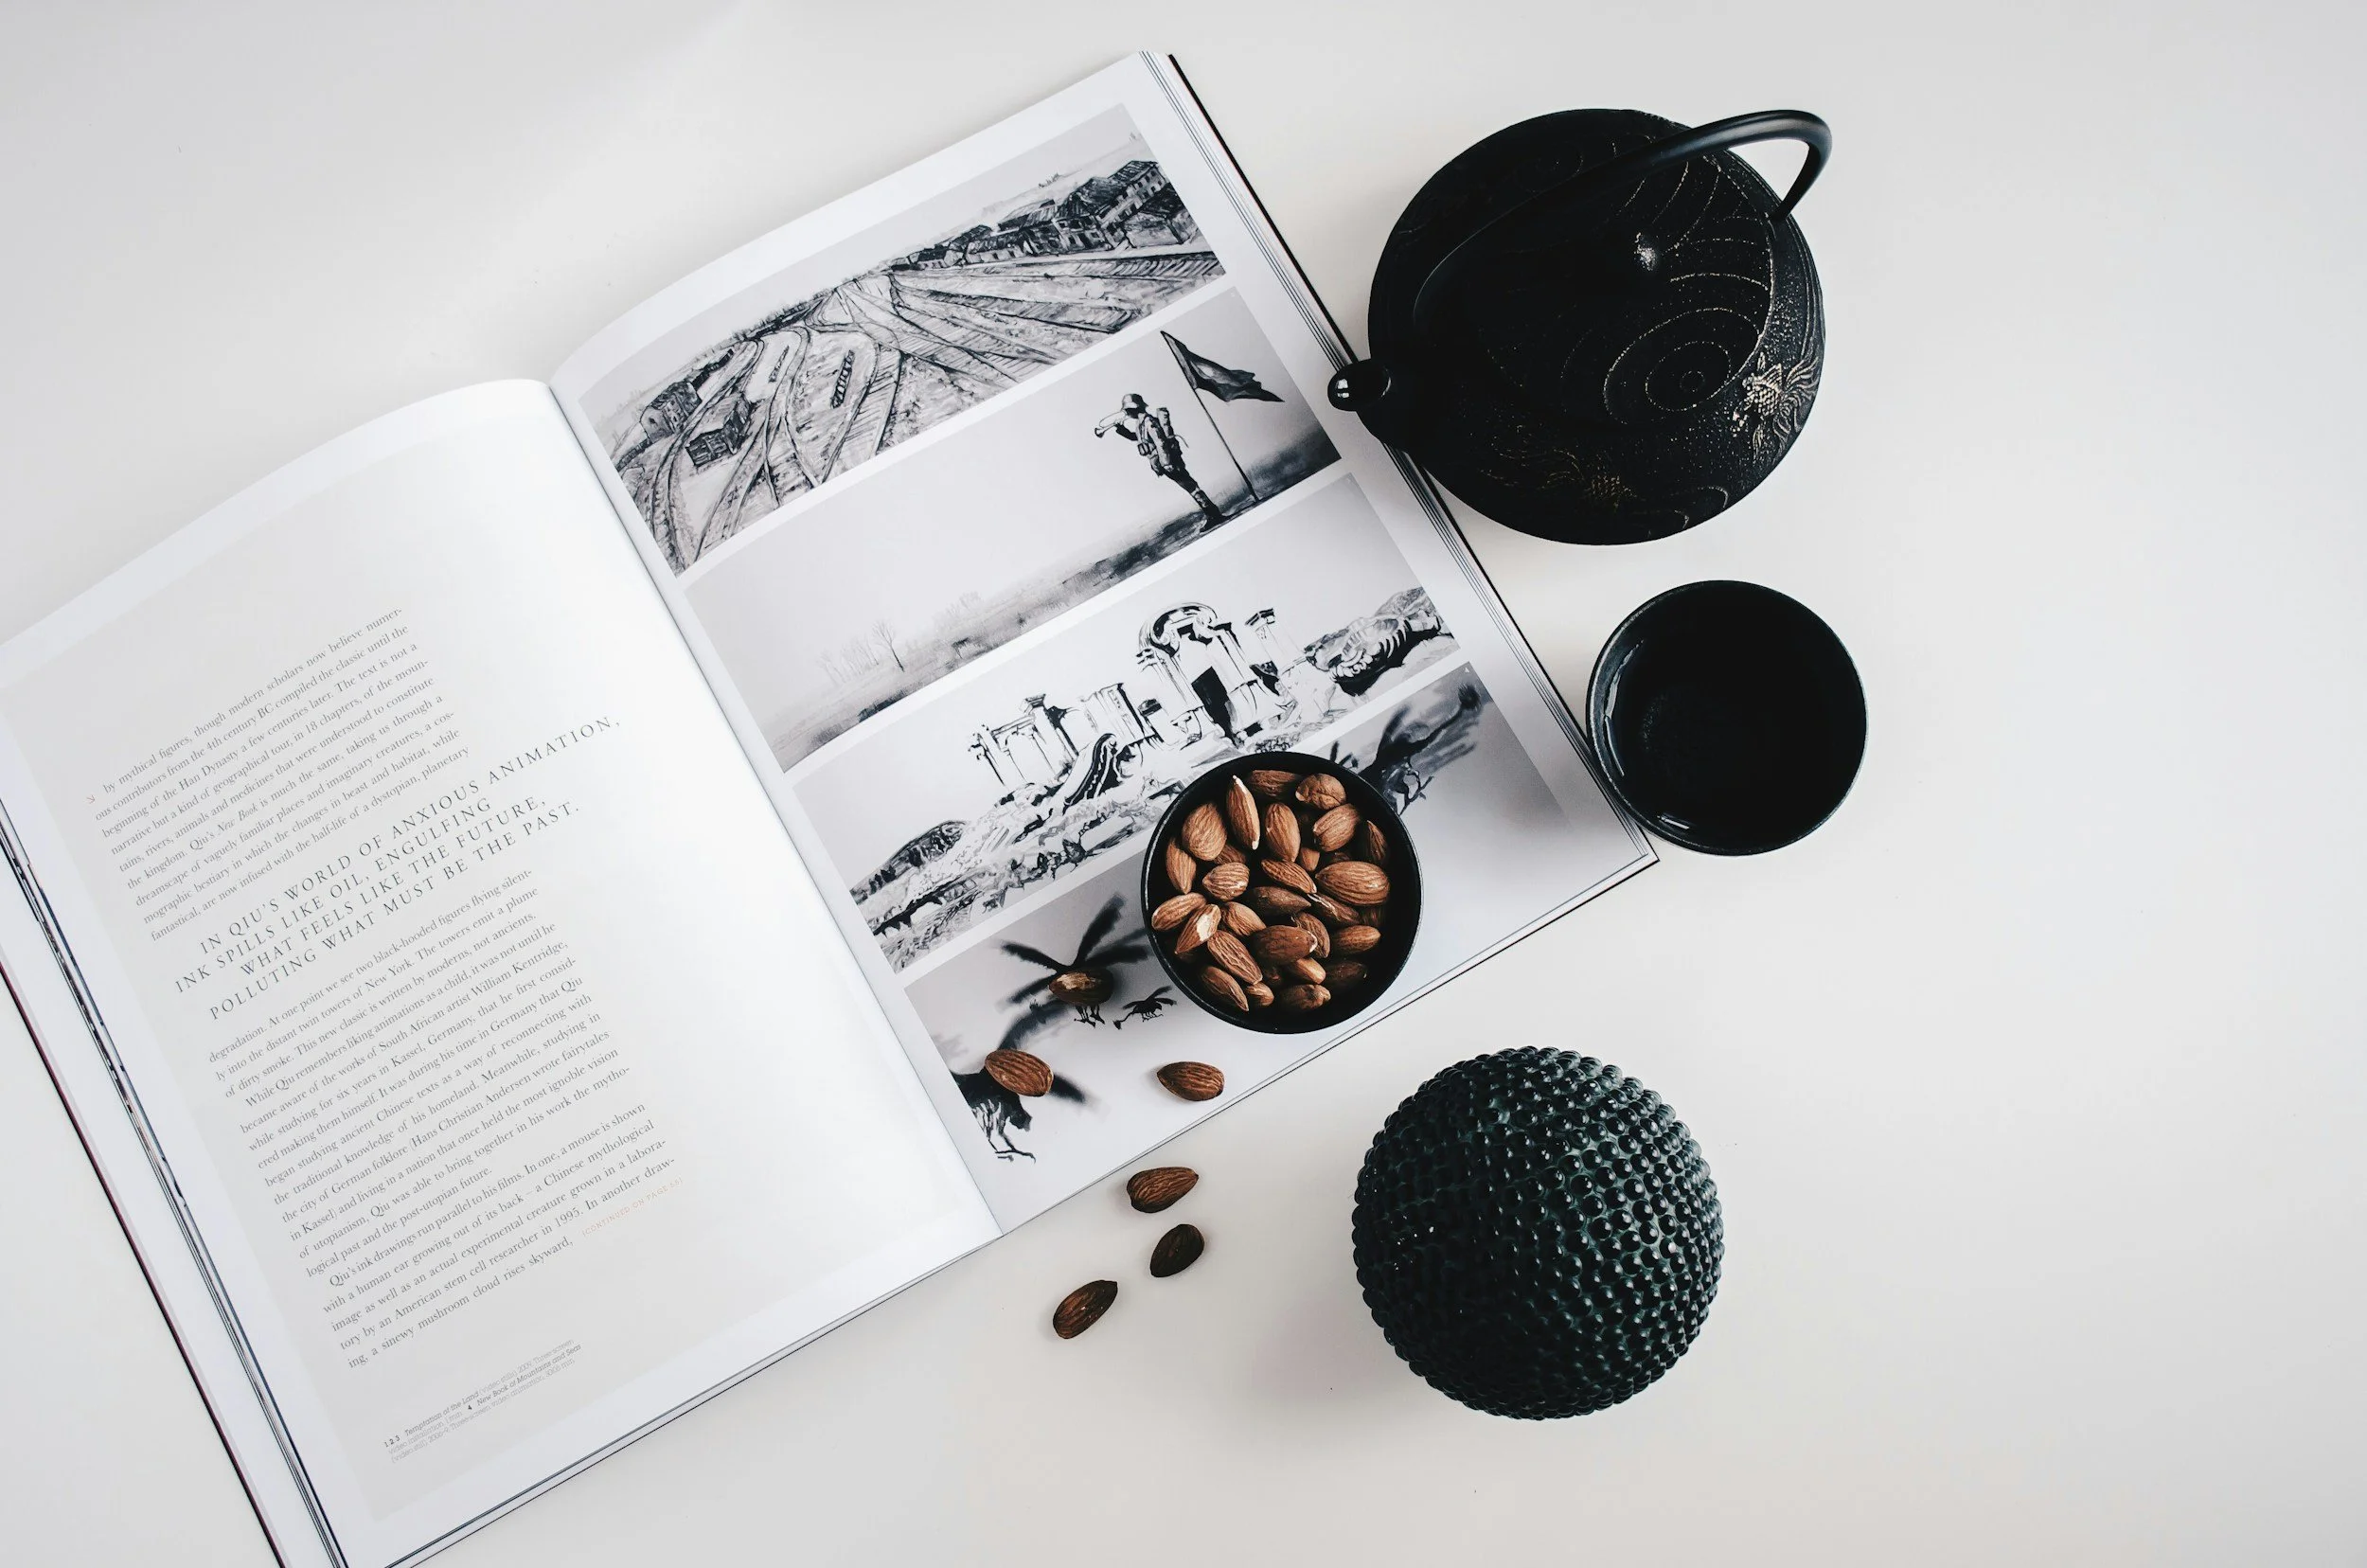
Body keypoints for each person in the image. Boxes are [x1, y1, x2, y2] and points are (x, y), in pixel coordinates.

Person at [1094, 393, 1221, 525]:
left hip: (1168, 462)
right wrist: (1121, 429)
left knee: (1190, 487)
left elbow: (1160, 442)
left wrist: (1166, 463)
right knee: (1189, 486)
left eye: (1128, 410)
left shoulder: (1149, 422)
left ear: (1134, 409)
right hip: (1162, 463)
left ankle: (1214, 515)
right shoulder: (1140, 423)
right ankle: (1212, 515)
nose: (1127, 413)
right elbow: (1136, 437)